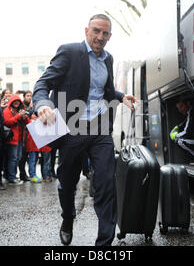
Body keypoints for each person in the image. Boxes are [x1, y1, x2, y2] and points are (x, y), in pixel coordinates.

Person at [33, 14, 136, 246]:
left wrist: (120, 96)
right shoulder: (69, 52)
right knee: (67, 181)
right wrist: (43, 105)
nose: (100, 37)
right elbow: (43, 84)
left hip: (100, 127)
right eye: (96, 31)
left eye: (105, 33)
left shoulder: (108, 59)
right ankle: (67, 218)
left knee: (107, 183)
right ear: (86, 30)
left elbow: (105, 91)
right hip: (72, 128)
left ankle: (104, 245)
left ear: (110, 36)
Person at [3, 94, 30, 184]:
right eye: (14, 101)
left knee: (18, 158)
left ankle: (12, 175)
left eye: (18, 101)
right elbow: (7, 122)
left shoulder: (20, 111)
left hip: (19, 139)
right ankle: (12, 177)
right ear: (11, 102)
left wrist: (25, 118)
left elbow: (28, 123)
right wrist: (19, 116)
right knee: (13, 158)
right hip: (11, 139)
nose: (16, 103)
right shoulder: (7, 111)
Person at [170, 94, 194, 165]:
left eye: (181, 106)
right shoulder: (191, 113)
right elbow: (183, 124)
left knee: (180, 141)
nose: (180, 110)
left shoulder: (192, 112)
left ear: (187, 104)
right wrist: (177, 128)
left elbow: (187, 132)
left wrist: (176, 136)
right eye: (179, 108)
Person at [18, 90, 33, 182]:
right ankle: (22, 174)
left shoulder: (32, 106)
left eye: (31, 96)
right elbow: (25, 116)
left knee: (26, 155)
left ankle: (24, 174)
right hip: (23, 133)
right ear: (24, 97)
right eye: (27, 95)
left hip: (29, 133)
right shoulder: (23, 106)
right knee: (22, 156)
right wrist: (30, 109)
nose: (29, 97)